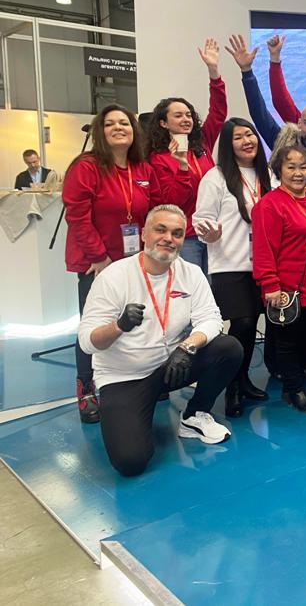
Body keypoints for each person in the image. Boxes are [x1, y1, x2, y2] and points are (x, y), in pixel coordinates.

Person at [77, 204, 242, 477]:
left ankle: (193, 415)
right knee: (131, 462)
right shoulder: (113, 277)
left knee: (228, 348)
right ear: (144, 234)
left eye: (177, 233)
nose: (169, 238)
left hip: (171, 366)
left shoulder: (190, 273)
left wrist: (187, 346)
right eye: (160, 230)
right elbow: (87, 342)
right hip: (125, 377)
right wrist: (119, 326)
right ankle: (129, 415)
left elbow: (212, 318)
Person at [63, 104, 163, 424]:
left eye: (125, 123)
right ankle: (86, 388)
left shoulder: (142, 168)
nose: (119, 127)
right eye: (110, 124)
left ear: (135, 131)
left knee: (136, 320)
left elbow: (153, 213)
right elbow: (77, 216)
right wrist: (99, 257)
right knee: (95, 326)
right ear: (99, 131)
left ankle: (138, 380)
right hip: (97, 263)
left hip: (134, 261)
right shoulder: (86, 166)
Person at [193, 118, 272, 418]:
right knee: (242, 323)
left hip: (263, 264)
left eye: (250, 134)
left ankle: (243, 380)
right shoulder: (215, 177)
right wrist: (209, 233)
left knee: (253, 323)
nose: (247, 141)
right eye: (238, 137)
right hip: (229, 263)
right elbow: (201, 219)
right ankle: (232, 387)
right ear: (228, 144)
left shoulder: (268, 175)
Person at [253, 145, 306, 413]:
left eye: (303, 167)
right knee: (287, 340)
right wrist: (270, 284)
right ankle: (293, 389)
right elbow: (263, 248)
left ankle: (297, 381)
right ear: (279, 170)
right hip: (286, 288)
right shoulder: (269, 205)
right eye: (291, 167)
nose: (298, 173)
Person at [146, 38, 227, 273]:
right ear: (163, 123)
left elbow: (219, 111)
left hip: (213, 233)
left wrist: (214, 72)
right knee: (189, 287)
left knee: (213, 290)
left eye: (189, 115)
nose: (186, 119)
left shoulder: (202, 144)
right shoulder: (158, 159)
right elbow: (172, 203)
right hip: (187, 237)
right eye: (178, 115)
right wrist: (181, 167)